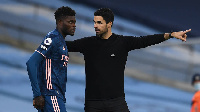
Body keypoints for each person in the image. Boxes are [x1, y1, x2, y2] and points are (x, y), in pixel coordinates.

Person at [66, 8, 191, 112]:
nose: (95, 26)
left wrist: (170, 35)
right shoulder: (87, 43)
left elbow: (145, 41)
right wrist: (52, 38)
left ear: (109, 24)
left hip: (116, 102)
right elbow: (65, 45)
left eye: (99, 22)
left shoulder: (122, 42)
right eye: (94, 22)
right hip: (93, 103)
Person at [26, 6, 76, 112]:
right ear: (60, 22)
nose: (74, 25)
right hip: (51, 94)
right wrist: (37, 94)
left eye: (74, 22)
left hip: (55, 96)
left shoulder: (62, 42)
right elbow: (31, 62)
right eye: (70, 22)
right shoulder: (52, 38)